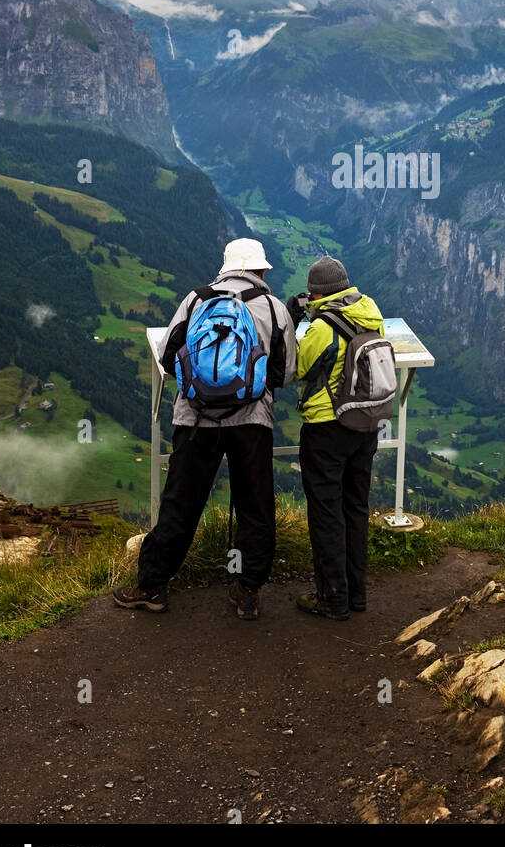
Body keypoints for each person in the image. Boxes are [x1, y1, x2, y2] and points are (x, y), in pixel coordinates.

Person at [113, 238, 296, 621]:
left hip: (195, 420)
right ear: (262, 270)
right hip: (251, 423)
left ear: (225, 267)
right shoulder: (275, 309)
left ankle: (151, 587)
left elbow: (168, 356)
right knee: (255, 506)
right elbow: (285, 373)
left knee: (181, 503)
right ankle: (247, 591)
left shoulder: (196, 300)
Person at [288, 256, 386, 621]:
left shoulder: (321, 328)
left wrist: (296, 319)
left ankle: (332, 597)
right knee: (356, 508)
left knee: (327, 512)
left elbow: (295, 369)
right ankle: (356, 594)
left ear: (316, 292)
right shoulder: (370, 314)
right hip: (366, 423)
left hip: (327, 429)